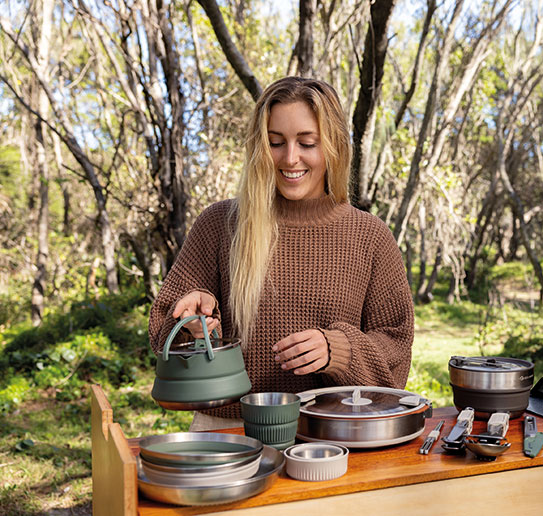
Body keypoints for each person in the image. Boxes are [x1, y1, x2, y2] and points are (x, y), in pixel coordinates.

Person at [148, 77, 414, 430]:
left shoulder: (370, 236)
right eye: (275, 143)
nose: (290, 158)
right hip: (228, 431)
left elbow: (396, 344)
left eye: (307, 143)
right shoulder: (219, 224)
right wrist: (191, 323)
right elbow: (163, 329)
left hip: (332, 432)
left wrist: (339, 349)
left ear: (333, 145)